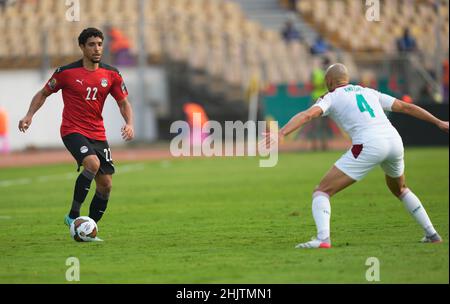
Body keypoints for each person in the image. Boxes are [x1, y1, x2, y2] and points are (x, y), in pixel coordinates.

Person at [263, 63, 448, 249]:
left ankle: (322, 239)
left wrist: (281, 133)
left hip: (368, 144)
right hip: (394, 141)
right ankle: (432, 234)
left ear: (328, 82)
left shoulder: (332, 96)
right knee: (400, 189)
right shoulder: (369, 92)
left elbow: (308, 115)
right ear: (346, 79)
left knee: (322, 191)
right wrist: (438, 122)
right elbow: (405, 107)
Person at [18, 28, 134, 239]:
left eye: (99, 44)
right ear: (82, 47)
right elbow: (44, 93)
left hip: (98, 134)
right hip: (72, 130)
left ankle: (87, 229)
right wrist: (29, 115)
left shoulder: (112, 74)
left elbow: (123, 102)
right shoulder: (66, 73)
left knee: (106, 185)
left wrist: (129, 123)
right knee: (92, 164)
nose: (97, 48)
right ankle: (73, 215)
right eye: (91, 44)